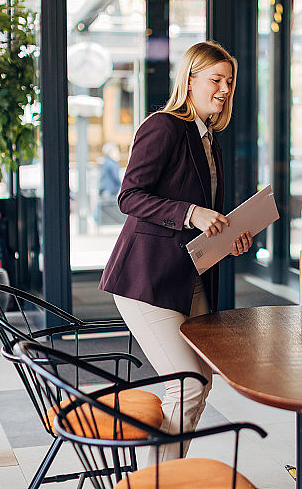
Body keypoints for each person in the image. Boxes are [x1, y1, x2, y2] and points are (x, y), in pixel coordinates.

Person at [99, 41, 252, 462]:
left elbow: (203, 215)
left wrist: (227, 235)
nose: (224, 89)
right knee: (186, 385)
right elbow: (129, 197)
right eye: (215, 79)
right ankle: (160, 481)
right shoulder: (164, 126)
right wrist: (192, 213)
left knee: (199, 381)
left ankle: (167, 473)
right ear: (189, 80)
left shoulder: (209, 140)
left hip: (189, 276)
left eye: (229, 81)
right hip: (145, 278)